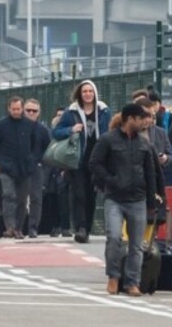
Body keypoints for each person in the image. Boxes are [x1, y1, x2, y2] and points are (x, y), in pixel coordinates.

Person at [89, 104, 157, 297]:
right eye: (141, 118)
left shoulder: (144, 144)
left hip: (138, 200)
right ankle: (113, 276)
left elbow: (151, 174)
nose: (145, 122)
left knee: (137, 245)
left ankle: (132, 282)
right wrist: (110, 180)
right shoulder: (108, 140)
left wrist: (152, 202)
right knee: (114, 237)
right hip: (115, 199)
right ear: (130, 119)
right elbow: (94, 164)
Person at [53, 79, 111, 243]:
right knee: (78, 193)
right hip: (77, 159)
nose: (87, 94)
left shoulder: (104, 111)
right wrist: (71, 129)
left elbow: (109, 131)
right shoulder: (71, 112)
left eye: (90, 91)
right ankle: (81, 228)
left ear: (95, 93)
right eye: (84, 91)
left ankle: (88, 226)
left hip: (97, 159)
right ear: (80, 93)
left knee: (91, 195)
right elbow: (56, 132)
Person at [0, 96, 43, 240]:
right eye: (13, 109)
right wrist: (2, 160)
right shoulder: (1, 125)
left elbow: (37, 144)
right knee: (8, 195)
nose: (16, 112)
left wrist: (32, 160)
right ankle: (10, 227)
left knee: (22, 199)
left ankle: (18, 228)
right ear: (9, 109)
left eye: (18, 109)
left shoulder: (29, 125)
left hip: (25, 168)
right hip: (7, 167)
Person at [24, 98, 51, 239]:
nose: (31, 113)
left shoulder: (43, 130)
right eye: (28, 110)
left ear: (38, 112)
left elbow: (48, 151)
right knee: (17, 198)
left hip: (36, 167)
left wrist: (43, 167)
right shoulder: (17, 128)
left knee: (36, 198)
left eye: (34, 111)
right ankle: (16, 227)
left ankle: (33, 228)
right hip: (19, 167)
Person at [50, 107, 72, 238]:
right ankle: (54, 226)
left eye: (62, 116)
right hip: (50, 170)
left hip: (63, 170)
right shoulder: (50, 132)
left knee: (64, 200)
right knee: (51, 199)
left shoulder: (69, 133)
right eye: (58, 115)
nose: (60, 118)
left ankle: (65, 226)